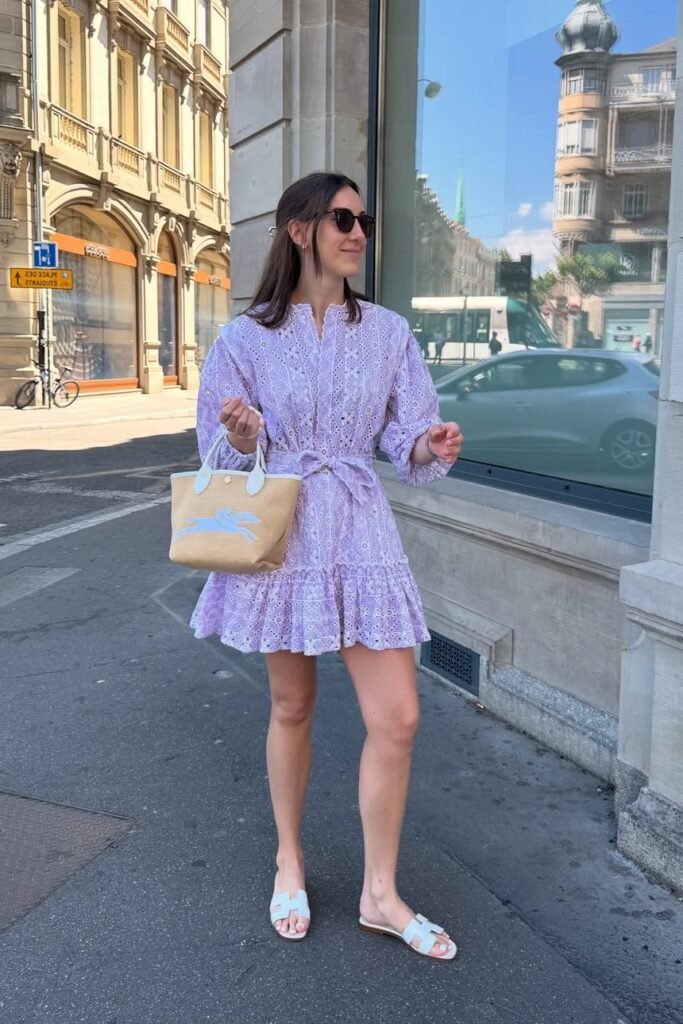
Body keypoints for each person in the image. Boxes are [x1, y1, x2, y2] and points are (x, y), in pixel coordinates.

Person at [191, 171, 463, 961]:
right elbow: (215, 444)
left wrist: (426, 443)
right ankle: (289, 856)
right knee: (292, 705)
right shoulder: (244, 338)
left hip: (360, 526)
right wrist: (242, 438)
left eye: (363, 220)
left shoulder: (386, 332)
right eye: (343, 218)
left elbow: (402, 434)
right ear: (299, 229)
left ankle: (380, 892)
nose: (358, 232)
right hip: (283, 529)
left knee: (398, 717)